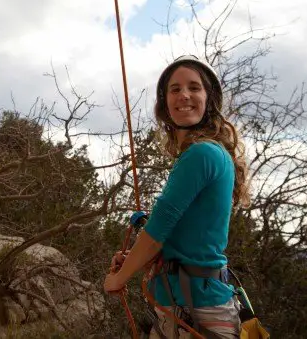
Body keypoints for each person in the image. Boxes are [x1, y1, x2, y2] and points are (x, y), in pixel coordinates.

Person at [103, 55, 250, 338]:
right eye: (175, 89)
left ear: (209, 99)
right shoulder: (207, 153)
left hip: (196, 309)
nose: (184, 95)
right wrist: (138, 258)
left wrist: (119, 279)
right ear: (165, 103)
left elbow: (159, 228)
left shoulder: (201, 153)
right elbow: (187, 239)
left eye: (194, 88)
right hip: (192, 304)